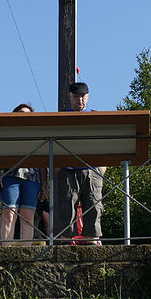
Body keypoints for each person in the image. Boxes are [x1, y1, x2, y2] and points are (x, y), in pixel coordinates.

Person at [54, 82, 105, 244]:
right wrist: (57, 168)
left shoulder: (96, 117)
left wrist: (101, 169)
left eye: (82, 96)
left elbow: (106, 142)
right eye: (76, 97)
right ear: (70, 97)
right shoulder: (60, 118)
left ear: (88, 97)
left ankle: (92, 240)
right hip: (68, 169)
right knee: (67, 206)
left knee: (94, 204)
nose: (80, 100)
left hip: (92, 168)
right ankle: (65, 241)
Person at [0, 103, 46, 246]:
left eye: (27, 113)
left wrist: (44, 185)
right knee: (9, 213)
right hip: (10, 176)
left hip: (32, 178)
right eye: (21, 112)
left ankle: (25, 251)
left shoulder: (37, 136)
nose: (24, 115)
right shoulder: (6, 133)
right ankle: (5, 250)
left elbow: (42, 162)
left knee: (28, 217)